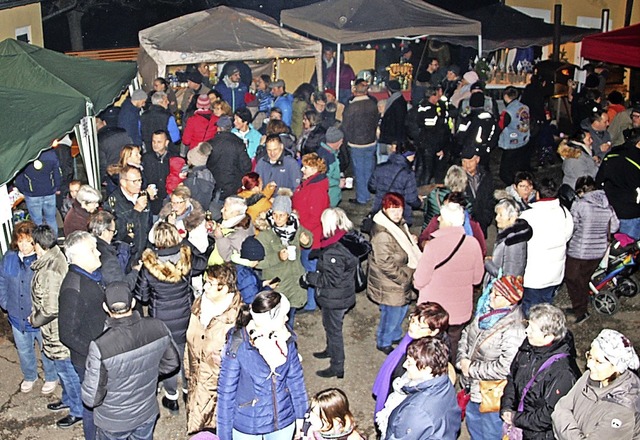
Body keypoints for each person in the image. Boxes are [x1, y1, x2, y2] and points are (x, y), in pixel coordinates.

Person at [82, 282, 181, 440]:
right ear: (133, 303)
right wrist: (149, 372)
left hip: (113, 421)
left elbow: (91, 398)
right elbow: (173, 363)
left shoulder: (100, 346)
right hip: (146, 412)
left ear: (105, 308)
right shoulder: (157, 327)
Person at [135, 222, 207, 412]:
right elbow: (203, 262)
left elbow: (141, 297)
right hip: (185, 316)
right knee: (185, 355)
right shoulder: (187, 259)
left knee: (167, 357)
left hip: (161, 320)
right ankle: (186, 390)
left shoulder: (149, 266)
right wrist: (187, 244)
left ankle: (171, 397)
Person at [217, 291, 308, 440]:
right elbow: (226, 394)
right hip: (248, 425)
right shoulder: (237, 344)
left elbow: (296, 380)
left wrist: (302, 418)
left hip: (283, 421)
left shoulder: (285, 337)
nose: (287, 318)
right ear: (271, 317)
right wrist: (224, 436)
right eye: (283, 314)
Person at [457, 275, 527, 440]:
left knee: (490, 432)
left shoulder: (514, 329)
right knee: (473, 425)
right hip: (473, 386)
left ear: (510, 301)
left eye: (496, 295)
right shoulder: (486, 312)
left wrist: (471, 369)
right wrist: (462, 359)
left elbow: (505, 367)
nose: (490, 297)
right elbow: (466, 333)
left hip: (491, 393)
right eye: (491, 292)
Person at [29, 225, 83, 429]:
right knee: (65, 373)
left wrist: (34, 319)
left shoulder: (50, 270)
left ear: (38, 245)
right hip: (58, 329)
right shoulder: (55, 256)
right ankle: (68, 400)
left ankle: (77, 410)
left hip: (57, 333)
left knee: (68, 373)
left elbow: (51, 308)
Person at [302, 208, 366, 379]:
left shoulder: (334, 251)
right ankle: (330, 350)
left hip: (335, 297)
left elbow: (331, 279)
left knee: (335, 331)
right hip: (342, 294)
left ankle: (337, 366)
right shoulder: (344, 238)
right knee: (329, 325)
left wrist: (309, 278)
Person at [414, 202, 484, 357]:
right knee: (452, 345)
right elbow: (477, 279)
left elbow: (419, 280)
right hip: (460, 311)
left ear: (448, 222)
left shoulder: (433, 246)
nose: (438, 220)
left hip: (435, 311)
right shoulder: (473, 244)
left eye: (442, 218)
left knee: (430, 348)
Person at [500, 304, 580, 440]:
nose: (526, 331)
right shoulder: (529, 345)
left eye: (532, 329)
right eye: (528, 325)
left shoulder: (563, 372)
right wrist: (507, 406)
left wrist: (516, 418)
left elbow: (550, 414)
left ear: (548, 337)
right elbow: (513, 377)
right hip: (522, 426)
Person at [58, 230, 107, 440]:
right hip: (88, 361)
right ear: (78, 257)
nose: (98, 254)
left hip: (100, 353)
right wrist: (98, 353)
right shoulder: (73, 289)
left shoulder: (91, 277)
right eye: (92, 250)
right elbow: (67, 334)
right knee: (93, 408)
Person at [0, 221, 57, 395]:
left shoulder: (43, 261)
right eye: (20, 241)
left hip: (39, 318)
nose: (24, 246)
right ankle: (30, 376)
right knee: (24, 351)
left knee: (46, 349)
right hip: (17, 316)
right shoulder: (9, 258)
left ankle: (51, 376)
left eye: (28, 241)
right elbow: (2, 281)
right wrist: (5, 303)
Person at [185, 264, 242, 435]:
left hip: (218, 390)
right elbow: (190, 342)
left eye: (210, 283)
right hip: (197, 380)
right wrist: (188, 371)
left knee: (214, 427)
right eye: (206, 282)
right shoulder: (199, 304)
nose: (205, 287)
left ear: (224, 288)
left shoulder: (236, 318)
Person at [552, 329, 640, 439]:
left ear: (617, 367)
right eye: (590, 356)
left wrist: (564, 427)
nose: (589, 364)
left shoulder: (623, 408)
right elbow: (561, 407)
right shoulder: (590, 376)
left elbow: (561, 414)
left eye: (598, 361)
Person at [372, 302, 451, 415]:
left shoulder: (432, 354)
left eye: (419, 326)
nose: (412, 327)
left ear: (434, 331)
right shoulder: (415, 336)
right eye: (413, 321)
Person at [367, 193, 421, 354]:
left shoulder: (397, 224)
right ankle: (384, 341)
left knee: (401, 310)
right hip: (391, 281)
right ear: (384, 209)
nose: (397, 214)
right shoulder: (383, 233)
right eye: (393, 210)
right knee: (391, 315)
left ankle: (395, 335)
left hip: (399, 279)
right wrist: (404, 279)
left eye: (399, 210)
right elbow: (385, 263)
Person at [376, 337, 461, 440]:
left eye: (410, 363)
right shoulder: (444, 381)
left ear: (427, 369)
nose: (404, 365)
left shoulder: (417, 411)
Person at [565, 176, 619, 324]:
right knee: (584, 278)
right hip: (599, 250)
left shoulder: (580, 204)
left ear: (581, 191)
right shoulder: (607, 204)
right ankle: (581, 305)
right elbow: (614, 227)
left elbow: (572, 227)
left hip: (579, 250)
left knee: (572, 279)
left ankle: (581, 310)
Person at [519, 178, 574, 316]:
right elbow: (567, 236)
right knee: (546, 304)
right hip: (555, 272)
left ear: (537, 194)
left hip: (533, 275)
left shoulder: (528, 216)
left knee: (530, 308)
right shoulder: (565, 213)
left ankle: (530, 331)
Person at [256, 194, 312, 323]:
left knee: (290, 317)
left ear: (289, 215)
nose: (277, 218)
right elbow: (257, 263)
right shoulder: (265, 234)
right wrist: (278, 257)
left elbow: (308, 237)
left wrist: (306, 240)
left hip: (294, 280)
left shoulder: (296, 228)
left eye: (281, 215)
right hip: (278, 284)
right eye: (274, 214)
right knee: (277, 320)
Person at [291, 153, 331, 312]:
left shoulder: (316, 189)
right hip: (306, 235)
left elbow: (315, 217)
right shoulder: (309, 183)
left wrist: (300, 227)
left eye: (306, 167)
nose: (302, 169)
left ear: (315, 168)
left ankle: (310, 303)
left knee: (310, 269)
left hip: (311, 238)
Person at [104, 165, 155, 264]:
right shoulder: (112, 203)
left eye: (140, 180)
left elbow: (148, 225)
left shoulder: (143, 197)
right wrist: (136, 211)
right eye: (134, 181)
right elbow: (117, 232)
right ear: (123, 182)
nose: (139, 184)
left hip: (144, 255)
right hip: (125, 256)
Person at [596, 131, 640, 239]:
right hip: (632, 212)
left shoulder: (611, 154)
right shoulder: (637, 159)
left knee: (617, 248)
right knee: (631, 248)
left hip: (611, 210)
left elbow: (599, 181)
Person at [205, 116, 252, 218]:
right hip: (233, 187)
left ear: (218, 128)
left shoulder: (211, 143)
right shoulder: (239, 143)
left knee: (215, 216)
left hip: (215, 187)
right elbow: (246, 166)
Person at [342, 79, 379, 205]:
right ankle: (368, 195)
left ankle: (362, 197)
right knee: (368, 169)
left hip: (356, 143)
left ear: (355, 90)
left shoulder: (351, 107)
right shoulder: (372, 104)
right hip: (370, 141)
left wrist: (348, 140)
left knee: (359, 171)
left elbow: (346, 126)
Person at [368, 143, 421, 226]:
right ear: (408, 156)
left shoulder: (380, 167)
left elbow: (372, 187)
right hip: (400, 213)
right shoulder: (408, 174)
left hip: (381, 208)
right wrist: (419, 202)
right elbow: (411, 199)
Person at [484, 198, 532, 286]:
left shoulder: (513, 241)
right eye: (497, 214)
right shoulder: (509, 235)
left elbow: (509, 277)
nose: (496, 218)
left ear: (512, 217)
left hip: (502, 291)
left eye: (500, 215)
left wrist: (488, 263)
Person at [13, 148, 61, 235]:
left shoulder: (24, 155)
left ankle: (40, 243)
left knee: (36, 221)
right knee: (51, 219)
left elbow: (18, 177)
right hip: (49, 193)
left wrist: (24, 190)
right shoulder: (51, 154)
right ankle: (53, 243)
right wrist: (57, 187)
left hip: (32, 195)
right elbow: (57, 173)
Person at [89, 210, 139, 288]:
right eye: (113, 232)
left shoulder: (89, 246)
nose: (113, 235)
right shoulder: (108, 259)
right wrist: (135, 271)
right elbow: (122, 287)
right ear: (105, 232)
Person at [414, 85, 451, 186]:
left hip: (422, 144)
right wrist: (438, 148)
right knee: (427, 171)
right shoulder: (430, 111)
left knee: (421, 169)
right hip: (429, 147)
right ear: (433, 96)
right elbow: (432, 132)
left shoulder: (422, 106)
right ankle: (423, 192)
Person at [498, 86, 531, 185]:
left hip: (511, 144)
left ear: (506, 96)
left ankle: (515, 187)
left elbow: (500, 126)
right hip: (523, 141)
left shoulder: (507, 112)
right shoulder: (525, 107)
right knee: (518, 168)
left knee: (504, 172)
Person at [461, 143, 495, 236]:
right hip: (464, 225)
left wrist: (487, 218)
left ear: (477, 160)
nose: (467, 165)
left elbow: (490, 199)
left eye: (470, 161)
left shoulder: (486, 176)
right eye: (464, 161)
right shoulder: (458, 178)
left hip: (481, 223)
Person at [142, 130, 177, 217]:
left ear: (166, 143)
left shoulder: (174, 158)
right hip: (153, 202)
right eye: (153, 141)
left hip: (169, 201)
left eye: (159, 142)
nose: (155, 144)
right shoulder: (146, 158)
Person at [378, 80, 408, 154]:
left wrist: (395, 142)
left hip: (392, 139)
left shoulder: (396, 103)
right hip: (392, 138)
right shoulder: (399, 100)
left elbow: (399, 123)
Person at [316, 127, 344, 207]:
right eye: (341, 141)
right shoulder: (328, 156)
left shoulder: (324, 151)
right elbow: (322, 178)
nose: (342, 143)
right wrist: (338, 182)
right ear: (336, 142)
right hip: (329, 198)